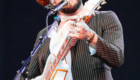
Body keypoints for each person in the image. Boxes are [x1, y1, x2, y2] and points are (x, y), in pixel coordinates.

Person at [24, 0, 124, 80]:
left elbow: (117, 58)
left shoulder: (105, 18)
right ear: (52, 2)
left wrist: (90, 36)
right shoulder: (44, 34)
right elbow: (29, 75)